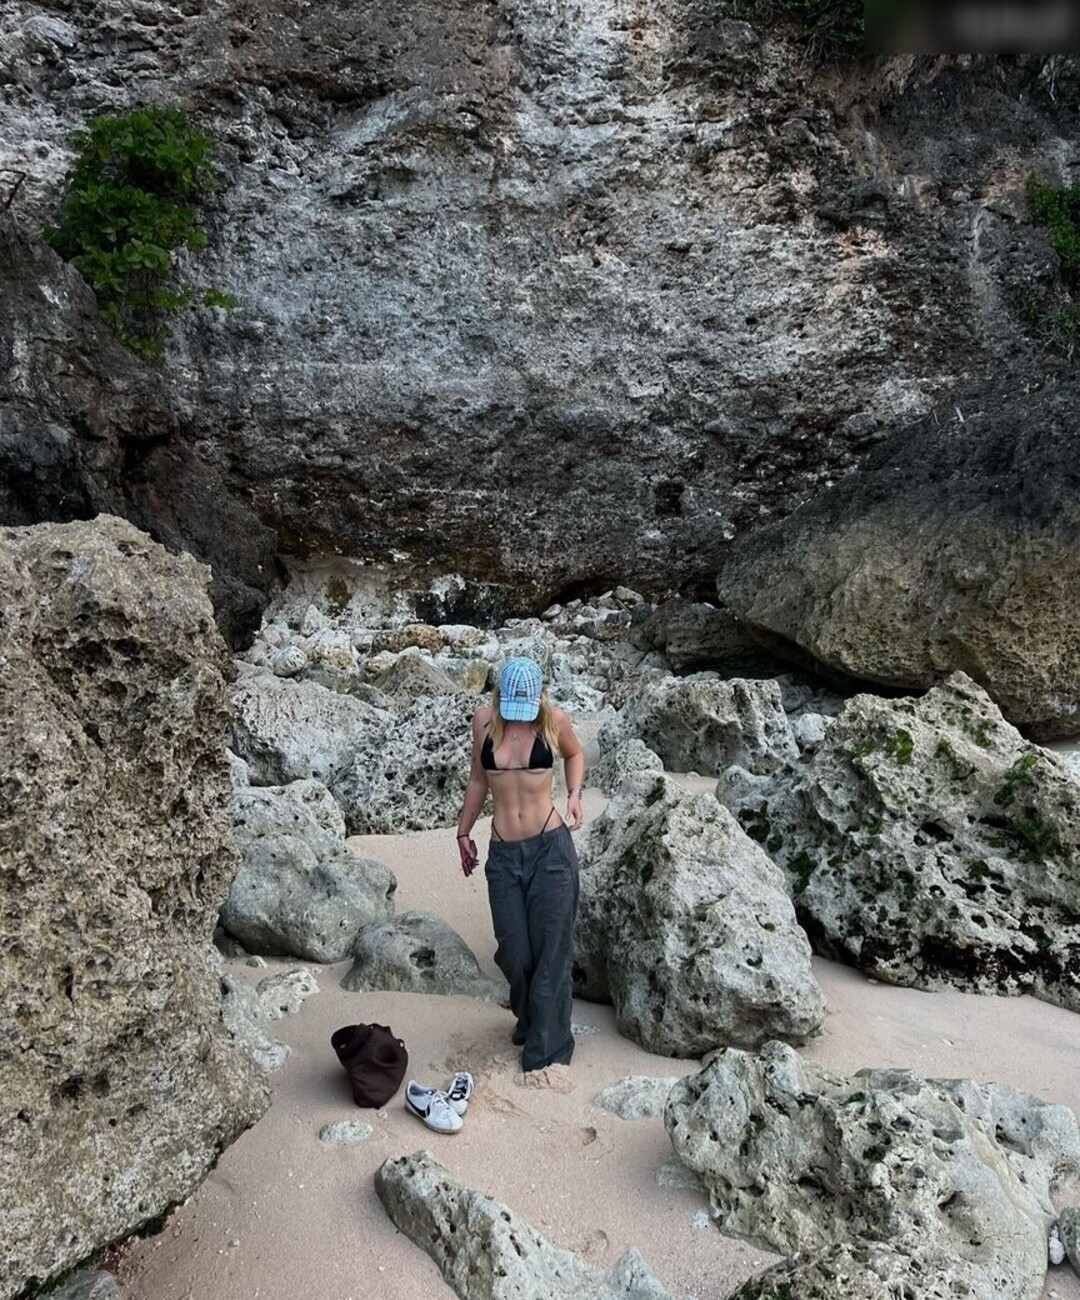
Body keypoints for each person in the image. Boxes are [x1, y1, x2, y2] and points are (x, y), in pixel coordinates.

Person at [455, 655, 585, 1073]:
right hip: (504, 857)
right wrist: (463, 832)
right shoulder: (483, 722)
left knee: (552, 954)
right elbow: (478, 778)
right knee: (515, 953)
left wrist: (575, 795)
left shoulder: (553, 720)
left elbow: (575, 754)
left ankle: (546, 1053)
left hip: (551, 851)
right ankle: (530, 1021)